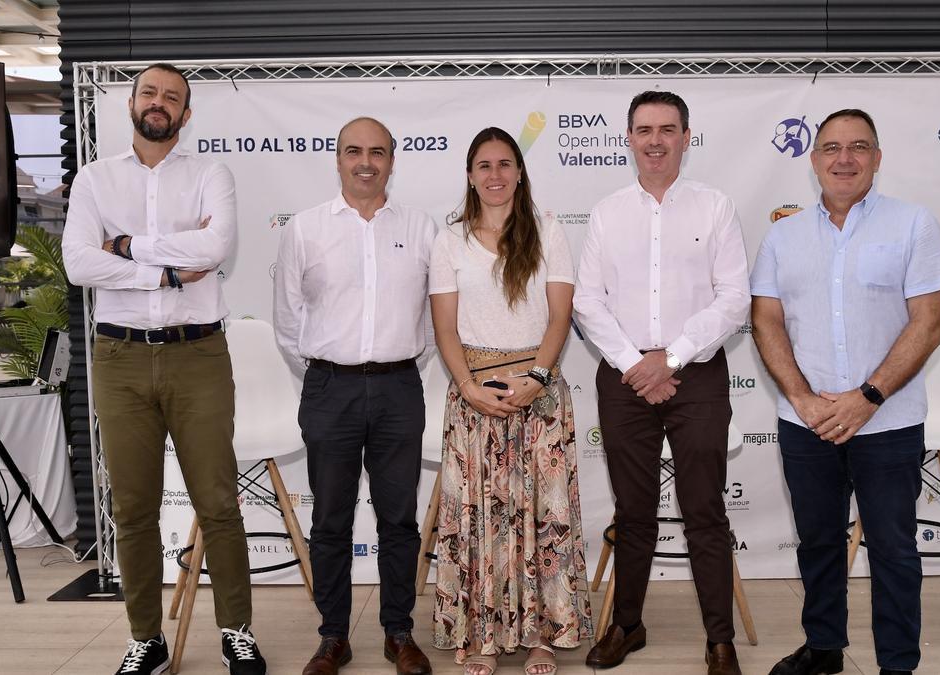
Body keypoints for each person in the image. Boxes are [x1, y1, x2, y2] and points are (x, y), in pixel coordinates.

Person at [62, 63, 267, 675]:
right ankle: (145, 639)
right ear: (131, 104)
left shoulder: (210, 174)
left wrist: (125, 246)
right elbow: (78, 264)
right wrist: (167, 272)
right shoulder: (94, 179)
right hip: (119, 357)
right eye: (149, 92)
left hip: (197, 355)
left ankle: (236, 631)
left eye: (172, 97)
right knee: (132, 508)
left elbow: (215, 247)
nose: (159, 102)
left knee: (218, 502)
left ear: (186, 113)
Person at [749, 109, 940, 675]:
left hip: (887, 421)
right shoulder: (783, 236)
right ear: (814, 160)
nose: (845, 158)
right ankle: (823, 650)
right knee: (818, 543)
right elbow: (766, 319)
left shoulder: (912, 225)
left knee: (893, 549)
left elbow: (930, 321)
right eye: (832, 148)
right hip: (807, 422)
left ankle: (897, 665)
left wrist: (867, 397)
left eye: (859, 147)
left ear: (877, 157)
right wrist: (802, 399)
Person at [573, 91, 750, 675]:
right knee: (634, 509)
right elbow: (587, 302)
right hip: (625, 378)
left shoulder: (715, 207)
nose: (655, 141)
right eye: (644, 130)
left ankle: (719, 640)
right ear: (628, 139)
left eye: (667, 129)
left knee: (704, 509)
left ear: (686, 137)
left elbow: (734, 299)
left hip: (696, 377)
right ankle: (627, 625)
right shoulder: (606, 213)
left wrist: (669, 359)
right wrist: (637, 364)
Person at [274, 116, 435, 675]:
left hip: (399, 387)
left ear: (392, 160)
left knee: (399, 520)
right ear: (338, 158)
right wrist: (326, 372)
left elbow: (433, 317)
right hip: (329, 388)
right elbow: (288, 319)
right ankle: (332, 638)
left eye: (377, 152)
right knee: (329, 522)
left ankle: (399, 633)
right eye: (353, 151)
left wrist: (396, 362)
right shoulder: (305, 228)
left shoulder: (421, 228)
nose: (365, 162)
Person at [429, 127, 593, 675]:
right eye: (484, 165)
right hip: (474, 397)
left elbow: (560, 315)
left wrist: (538, 378)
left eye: (505, 164)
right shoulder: (450, 240)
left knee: (543, 519)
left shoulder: (548, 231)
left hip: (539, 398)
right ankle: (483, 636)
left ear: (520, 172)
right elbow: (445, 329)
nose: (495, 175)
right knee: (478, 519)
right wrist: (469, 388)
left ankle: (541, 637)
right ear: (470, 175)